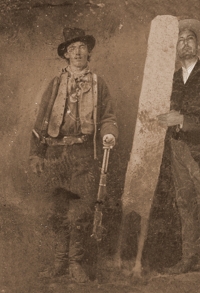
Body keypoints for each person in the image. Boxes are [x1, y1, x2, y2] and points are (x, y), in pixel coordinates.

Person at [29, 27, 118, 282]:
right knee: (57, 209)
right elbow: (40, 122)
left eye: (81, 47)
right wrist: (36, 155)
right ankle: (59, 262)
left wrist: (108, 134)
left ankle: (75, 263)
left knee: (79, 211)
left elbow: (109, 117)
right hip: (55, 155)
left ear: (88, 52)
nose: (77, 52)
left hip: (82, 153)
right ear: (66, 55)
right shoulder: (56, 83)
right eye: (72, 48)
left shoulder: (99, 84)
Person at [157, 19, 200, 274]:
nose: (185, 43)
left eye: (190, 38)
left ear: (198, 45)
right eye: (180, 40)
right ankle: (189, 258)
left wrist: (184, 120)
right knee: (185, 203)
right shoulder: (171, 78)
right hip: (178, 149)